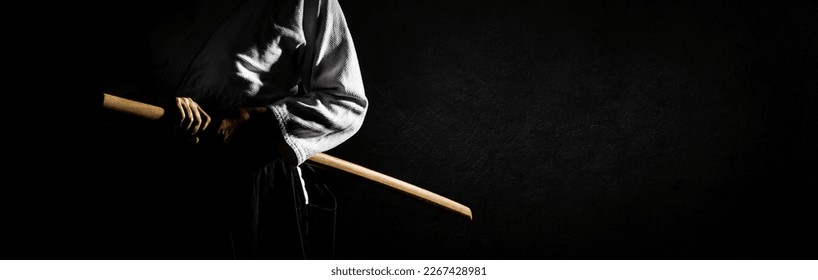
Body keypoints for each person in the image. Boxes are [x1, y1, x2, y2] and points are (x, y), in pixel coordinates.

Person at [80, 0, 367, 259]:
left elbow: (345, 102)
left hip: (243, 177)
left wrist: (252, 120)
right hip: (142, 160)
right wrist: (152, 106)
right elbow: (115, 62)